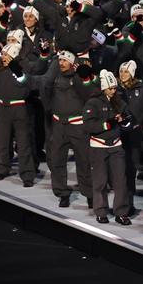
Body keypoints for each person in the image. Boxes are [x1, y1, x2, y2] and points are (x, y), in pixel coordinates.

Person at [0, 42, 38, 184]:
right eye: (2, 54)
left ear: (13, 56)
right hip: (3, 108)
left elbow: (30, 83)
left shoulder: (23, 67)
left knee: (23, 143)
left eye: (5, 55)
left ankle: (27, 175)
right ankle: (2, 169)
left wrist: (20, 72)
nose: (2, 57)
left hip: (19, 108)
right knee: (0, 141)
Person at [42, 51, 94, 207]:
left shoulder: (80, 76)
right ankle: (62, 193)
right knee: (57, 160)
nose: (61, 63)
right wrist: (49, 109)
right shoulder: (55, 77)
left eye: (64, 60)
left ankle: (89, 193)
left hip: (78, 126)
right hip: (59, 125)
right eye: (60, 60)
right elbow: (45, 90)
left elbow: (89, 95)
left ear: (72, 63)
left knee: (84, 161)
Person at [83, 69, 133, 225]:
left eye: (115, 88)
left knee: (120, 181)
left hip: (116, 146)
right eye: (110, 88)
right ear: (103, 87)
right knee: (100, 181)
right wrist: (106, 124)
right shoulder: (93, 102)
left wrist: (125, 121)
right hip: (98, 146)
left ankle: (121, 212)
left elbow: (129, 123)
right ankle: (101, 211)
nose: (113, 91)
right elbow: (88, 125)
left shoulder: (119, 101)